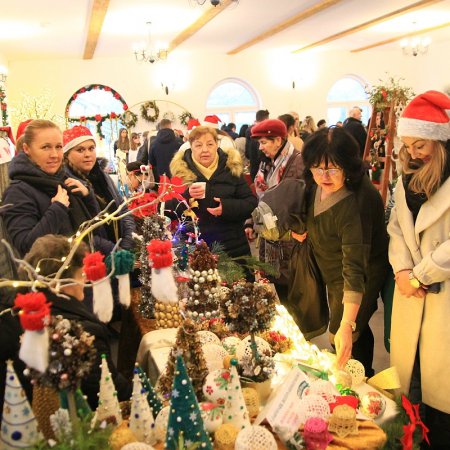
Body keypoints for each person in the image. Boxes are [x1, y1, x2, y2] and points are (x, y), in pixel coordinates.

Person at [292, 127, 388, 376]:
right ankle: (361, 371)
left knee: (344, 333)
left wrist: (346, 324)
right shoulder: (317, 185)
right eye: (317, 167)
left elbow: (355, 267)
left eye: (333, 168)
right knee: (354, 330)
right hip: (332, 269)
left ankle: (358, 383)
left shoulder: (357, 202)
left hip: (359, 273)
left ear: (349, 166)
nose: (324, 176)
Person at [387, 90, 450, 448]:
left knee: (441, 394)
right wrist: (401, 271)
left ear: (440, 143)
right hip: (411, 293)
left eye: (421, 145)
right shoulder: (406, 179)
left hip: (440, 299)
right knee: (410, 387)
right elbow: (397, 230)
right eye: (408, 145)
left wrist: (419, 275)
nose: (413, 153)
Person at [23, 234, 132, 408]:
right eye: (81, 274)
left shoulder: (32, 316)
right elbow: (108, 389)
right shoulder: (84, 333)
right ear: (62, 281)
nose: (86, 279)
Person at [0, 120, 103, 257]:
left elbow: (93, 231)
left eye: (59, 147)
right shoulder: (18, 192)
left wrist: (88, 197)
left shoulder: (63, 181)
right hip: (53, 277)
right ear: (26, 149)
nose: (54, 155)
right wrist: (58, 208)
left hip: (82, 273)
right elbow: (27, 248)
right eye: (45, 147)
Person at [170, 126, 257, 259]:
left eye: (210, 144)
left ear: (217, 145)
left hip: (232, 246)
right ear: (190, 146)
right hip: (194, 248)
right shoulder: (181, 172)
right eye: (198, 145)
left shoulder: (231, 168)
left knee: (238, 280)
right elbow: (167, 209)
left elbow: (250, 202)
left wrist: (226, 207)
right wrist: (186, 196)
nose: (205, 150)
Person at [246, 119, 304, 300]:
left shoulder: (298, 163)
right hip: (272, 241)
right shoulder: (267, 164)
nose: (260, 148)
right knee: (281, 292)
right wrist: (251, 221)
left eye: (264, 142)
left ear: (278, 140)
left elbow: (304, 203)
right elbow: (263, 200)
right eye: (259, 143)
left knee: (296, 298)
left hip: (292, 242)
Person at [63, 125, 135, 250]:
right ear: (67, 155)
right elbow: (83, 232)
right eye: (80, 150)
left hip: (119, 250)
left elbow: (122, 209)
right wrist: (115, 252)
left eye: (91, 148)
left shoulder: (102, 176)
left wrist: (127, 243)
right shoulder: (69, 184)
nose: (87, 154)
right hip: (94, 258)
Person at [245, 109, 270, 181]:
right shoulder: (263, 131)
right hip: (262, 169)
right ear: (266, 119)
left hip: (253, 168)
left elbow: (247, 153)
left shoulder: (249, 130)